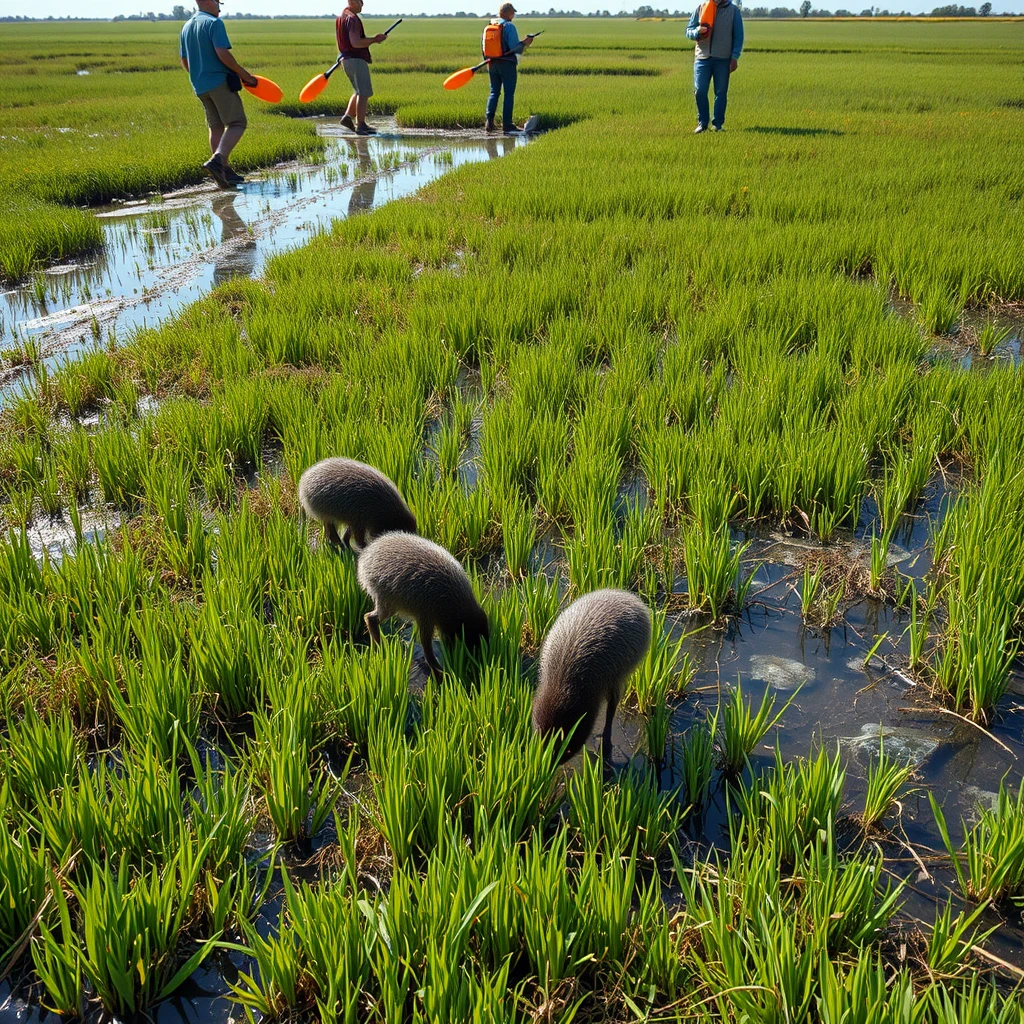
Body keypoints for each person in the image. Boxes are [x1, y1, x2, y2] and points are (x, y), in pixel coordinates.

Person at [179, 0, 258, 187]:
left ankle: (224, 172)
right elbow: (222, 54)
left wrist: (198, 76)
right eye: (217, 1)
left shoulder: (187, 26)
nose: (219, 6)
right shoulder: (213, 23)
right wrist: (244, 75)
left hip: (200, 85)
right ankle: (218, 160)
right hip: (218, 82)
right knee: (237, 122)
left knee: (216, 127)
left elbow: (183, 59)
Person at [685, 0, 744, 134]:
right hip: (702, 58)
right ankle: (702, 123)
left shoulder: (733, 11)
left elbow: (738, 36)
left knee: (721, 92)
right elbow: (688, 30)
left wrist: (734, 57)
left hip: (723, 59)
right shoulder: (701, 8)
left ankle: (717, 125)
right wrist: (696, 32)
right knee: (700, 90)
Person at [337, 0, 387, 136]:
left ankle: (347, 117)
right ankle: (361, 125)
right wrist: (375, 40)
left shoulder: (343, 16)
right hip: (356, 59)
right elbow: (356, 42)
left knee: (359, 91)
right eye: (360, 2)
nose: (362, 5)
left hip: (347, 60)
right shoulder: (352, 19)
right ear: (352, 1)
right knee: (363, 93)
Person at [484, 3, 533, 135]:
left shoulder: (490, 26)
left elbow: (484, 48)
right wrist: (526, 42)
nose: (514, 16)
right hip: (507, 65)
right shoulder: (509, 26)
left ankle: (489, 122)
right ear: (509, 13)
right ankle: (507, 124)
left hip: (492, 63)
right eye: (513, 13)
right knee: (509, 94)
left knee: (494, 92)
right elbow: (514, 47)